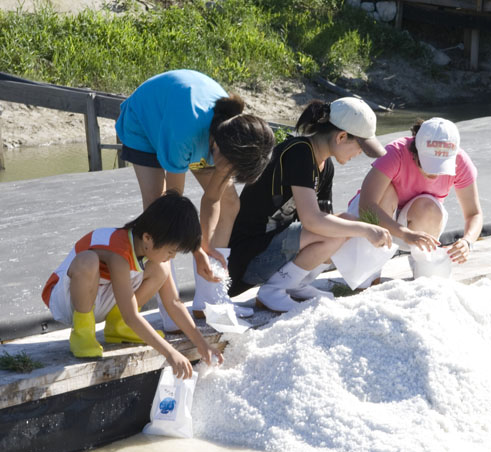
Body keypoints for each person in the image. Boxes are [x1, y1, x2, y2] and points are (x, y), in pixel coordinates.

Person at [115, 69, 276, 326]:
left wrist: (205, 246)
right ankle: (171, 309)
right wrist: (195, 249)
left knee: (230, 203)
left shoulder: (232, 131)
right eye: (228, 167)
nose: (227, 173)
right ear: (217, 148)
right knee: (161, 220)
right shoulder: (185, 135)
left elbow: (212, 199)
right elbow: (174, 208)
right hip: (144, 124)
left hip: (190, 126)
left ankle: (210, 299)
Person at [226, 97, 393, 312]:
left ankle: (296, 284)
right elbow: (312, 221)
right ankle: (274, 290)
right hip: (247, 259)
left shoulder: (326, 166)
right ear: (342, 136)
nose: (359, 154)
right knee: (344, 226)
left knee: (342, 225)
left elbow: (328, 222)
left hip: (273, 253)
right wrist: (366, 229)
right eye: (360, 147)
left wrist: (357, 228)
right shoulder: (299, 152)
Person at [41, 191, 224, 378]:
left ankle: (117, 326)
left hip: (99, 297)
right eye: (171, 251)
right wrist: (170, 353)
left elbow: (174, 303)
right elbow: (132, 316)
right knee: (88, 260)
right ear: (147, 238)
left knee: (161, 269)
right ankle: (82, 333)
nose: (173, 256)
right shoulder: (119, 251)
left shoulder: (149, 250)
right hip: (67, 300)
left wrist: (203, 345)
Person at [354, 117, 483, 282]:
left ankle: (424, 272)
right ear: (415, 151)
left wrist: (467, 241)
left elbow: (474, 213)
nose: (435, 174)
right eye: (429, 164)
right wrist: (405, 233)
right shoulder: (396, 152)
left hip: (417, 223)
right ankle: (369, 275)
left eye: (442, 165)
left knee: (429, 207)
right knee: (387, 191)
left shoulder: (461, 161)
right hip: (377, 220)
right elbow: (366, 205)